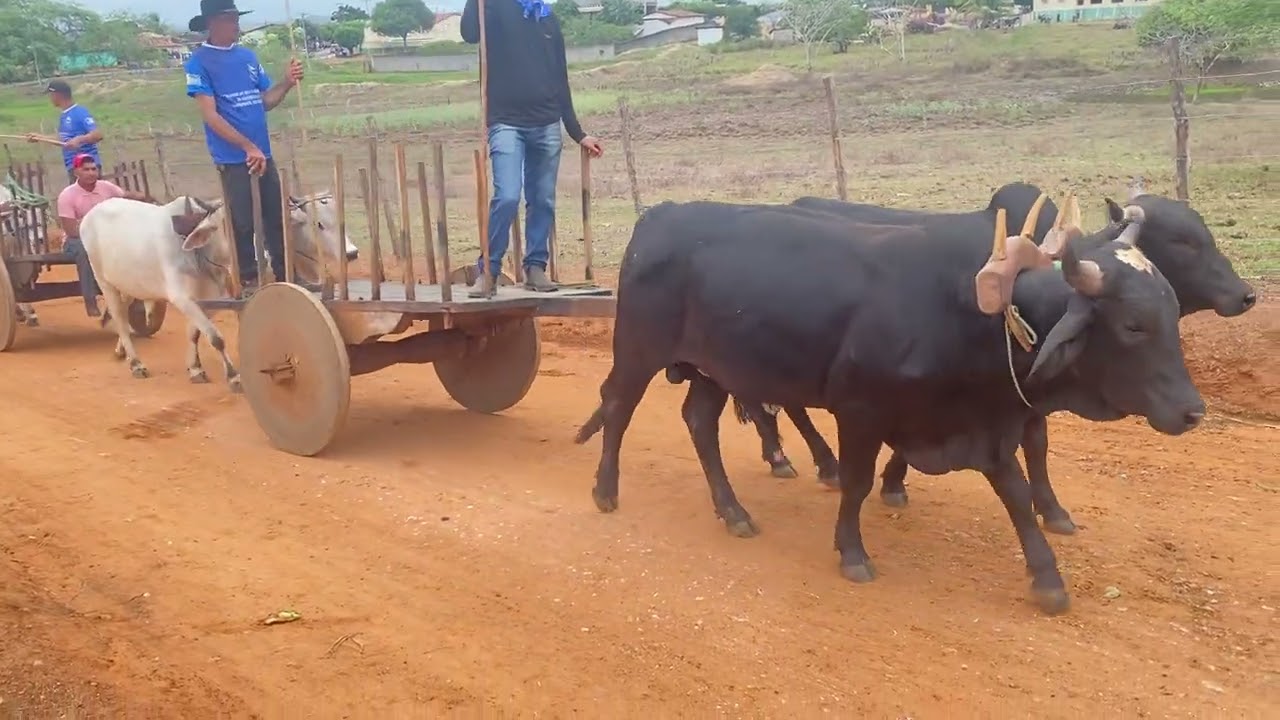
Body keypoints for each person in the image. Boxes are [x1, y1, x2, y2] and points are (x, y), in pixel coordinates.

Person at [461, 0, 604, 298]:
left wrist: (578, 133)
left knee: (542, 200)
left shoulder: (547, 19)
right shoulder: (495, 7)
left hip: (547, 123)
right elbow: (470, 33)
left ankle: (535, 266)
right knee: (508, 196)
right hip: (506, 122)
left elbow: (561, 80)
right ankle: (488, 270)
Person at [184, 0, 304, 295]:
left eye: (237, 18)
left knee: (276, 215)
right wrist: (247, 146)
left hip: (262, 153)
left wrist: (287, 83)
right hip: (234, 157)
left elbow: (265, 101)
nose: (236, 24)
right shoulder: (198, 63)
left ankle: (286, 274)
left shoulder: (248, 57)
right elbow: (211, 115)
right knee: (242, 222)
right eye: (230, 19)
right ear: (212, 23)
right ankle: (249, 280)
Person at [56, 154, 153, 317]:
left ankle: (137, 296)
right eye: (85, 169)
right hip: (77, 241)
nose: (91, 172)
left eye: (94, 169)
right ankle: (90, 300)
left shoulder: (106, 187)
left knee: (131, 249)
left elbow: (125, 196)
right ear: (76, 173)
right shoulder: (67, 195)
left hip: (108, 240)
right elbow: (72, 231)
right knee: (84, 250)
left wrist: (142, 197)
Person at [26, 80, 104, 183]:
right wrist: (39, 137)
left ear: (57, 95)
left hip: (86, 166)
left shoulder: (79, 112)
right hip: (74, 166)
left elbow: (97, 135)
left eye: (50, 95)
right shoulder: (64, 115)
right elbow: (63, 139)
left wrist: (79, 139)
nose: (50, 98)